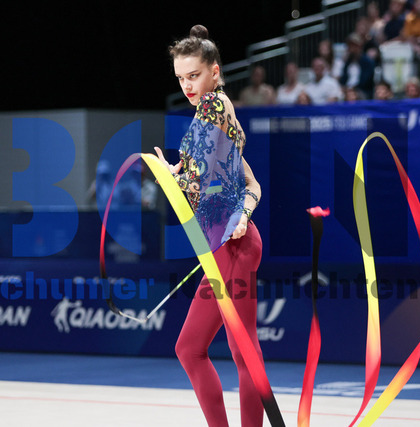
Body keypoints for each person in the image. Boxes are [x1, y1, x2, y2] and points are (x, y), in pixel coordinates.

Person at [156, 24, 265, 427]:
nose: (187, 86)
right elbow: (252, 185)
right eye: (180, 78)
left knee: (241, 351)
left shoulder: (214, 106)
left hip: (234, 248)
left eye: (194, 75)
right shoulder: (214, 120)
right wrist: (244, 213)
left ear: (214, 72)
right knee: (190, 349)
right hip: (224, 245)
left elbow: (198, 181)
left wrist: (173, 179)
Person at [333, 33, 376, 100]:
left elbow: (365, 82)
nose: (351, 49)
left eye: (354, 46)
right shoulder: (348, 62)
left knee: (352, 96)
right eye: (349, 46)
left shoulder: (368, 62)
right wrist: (343, 87)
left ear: (360, 46)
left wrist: (351, 89)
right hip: (347, 91)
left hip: (362, 91)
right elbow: (343, 79)